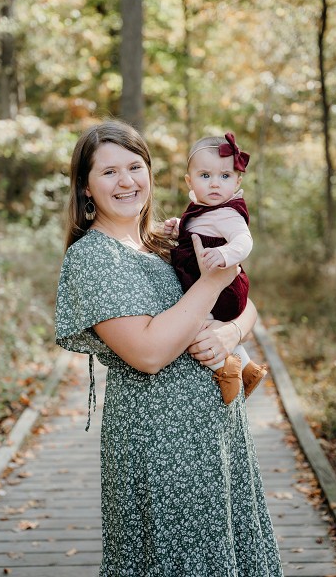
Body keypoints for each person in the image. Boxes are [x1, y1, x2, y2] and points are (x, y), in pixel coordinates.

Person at [55, 120, 283, 576]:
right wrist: (212, 281)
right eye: (109, 172)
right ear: (85, 187)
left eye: (135, 167)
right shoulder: (93, 257)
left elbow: (247, 304)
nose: (126, 181)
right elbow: (148, 354)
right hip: (158, 442)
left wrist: (230, 333)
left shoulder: (164, 239)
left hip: (217, 432)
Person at [165, 132, 266, 405]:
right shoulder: (204, 209)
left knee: (195, 325)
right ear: (190, 181)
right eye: (205, 175)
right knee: (202, 322)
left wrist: (224, 253)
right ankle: (248, 369)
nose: (214, 183)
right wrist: (179, 227)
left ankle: (226, 368)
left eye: (225, 176)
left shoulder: (228, 213)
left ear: (237, 182)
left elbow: (244, 241)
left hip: (225, 288)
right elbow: (199, 229)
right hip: (213, 285)